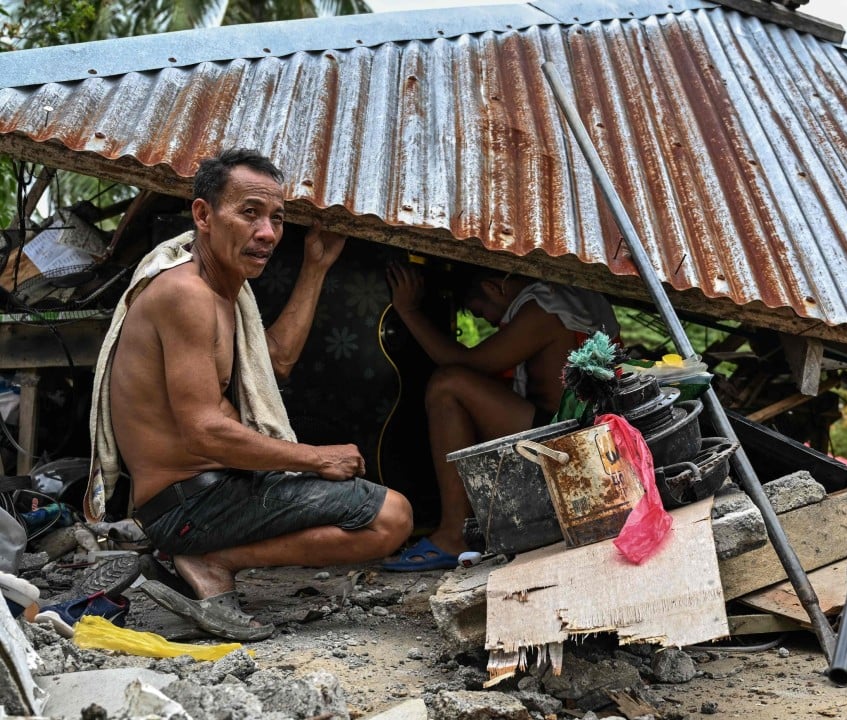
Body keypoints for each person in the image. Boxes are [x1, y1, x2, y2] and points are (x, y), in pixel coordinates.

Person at [90, 148, 413, 640]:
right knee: (392, 517)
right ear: (203, 215)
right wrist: (314, 458)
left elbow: (274, 361)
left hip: (206, 493)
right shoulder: (187, 295)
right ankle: (212, 559)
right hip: (187, 506)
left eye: (277, 219)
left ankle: (207, 557)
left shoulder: (224, 288)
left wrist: (316, 266)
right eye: (249, 213)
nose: (267, 233)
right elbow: (203, 432)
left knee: (388, 514)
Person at [382, 263, 619, 570]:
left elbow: (465, 362)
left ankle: (454, 535)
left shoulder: (542, 309)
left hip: (563, 433)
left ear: (495, 288)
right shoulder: (572, 294)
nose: (493, 323)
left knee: (447, 384)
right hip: (573, 426)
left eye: (483, 313)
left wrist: (409, 311)